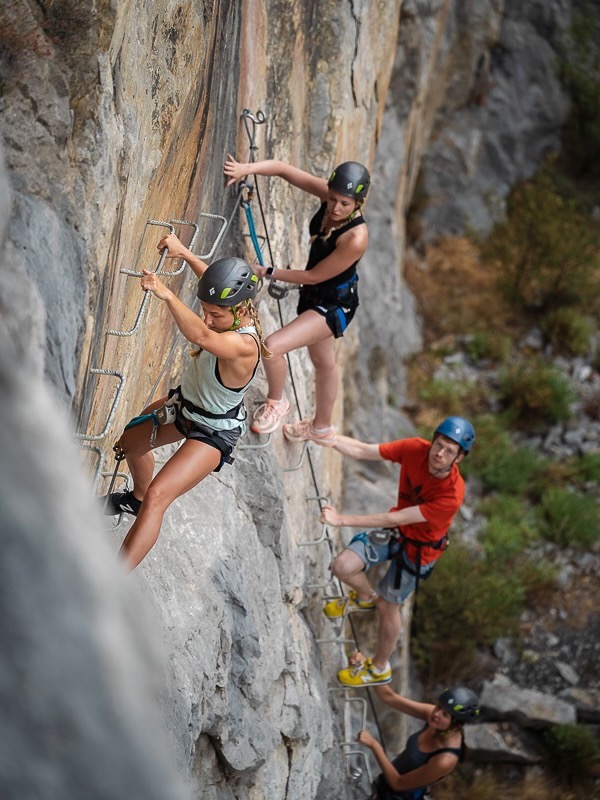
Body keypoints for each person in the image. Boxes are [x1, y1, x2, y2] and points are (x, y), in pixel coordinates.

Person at [101, 233, 270, 571]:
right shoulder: (229, 311)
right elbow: (211, 287)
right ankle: (135, 498)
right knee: (130, 444)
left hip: (213, 432)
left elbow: (201, 336)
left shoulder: (245, 345)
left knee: (159, 498)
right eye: (205, 312)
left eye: (215, 315)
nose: (208, 319)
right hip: (185, 407)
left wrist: (165, 292)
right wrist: (185, 253)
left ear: (239, 310)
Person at [318, 416, 476, 686]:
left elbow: (394, 519)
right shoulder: (415, 448)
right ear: (432, 440)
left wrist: (340, 519)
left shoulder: (450, 495)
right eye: (438, 444)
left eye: (449, 451)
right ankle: (364, 596)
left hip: (418, 552)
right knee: (342, 567)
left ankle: (379, 668)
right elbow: (364, 451)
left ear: (459, 458)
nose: (439, 453)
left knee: (388, 606)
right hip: (398, 534)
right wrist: (324, 437)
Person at [223, 155, 370, 442]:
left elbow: (314, 275)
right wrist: (247, 169)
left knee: (272, 347)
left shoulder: (356, 238)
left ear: (358, 204)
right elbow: (283, 169)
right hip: (317, 295)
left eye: (345, 203)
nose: (336, 207)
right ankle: (322, 427)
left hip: (332, 305)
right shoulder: (329, 196)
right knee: (324, 363)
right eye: (333, 199)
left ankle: (277, 403)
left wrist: (268, 272)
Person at [357, 680, 480, 800]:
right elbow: (389, 697)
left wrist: (374, 745)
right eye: (439, 707)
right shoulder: (435, 718)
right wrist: (368, 670)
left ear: (457, 725)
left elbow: (398, 783)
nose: (436, 714)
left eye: (445, 715)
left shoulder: (444, 760)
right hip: (384, 785)